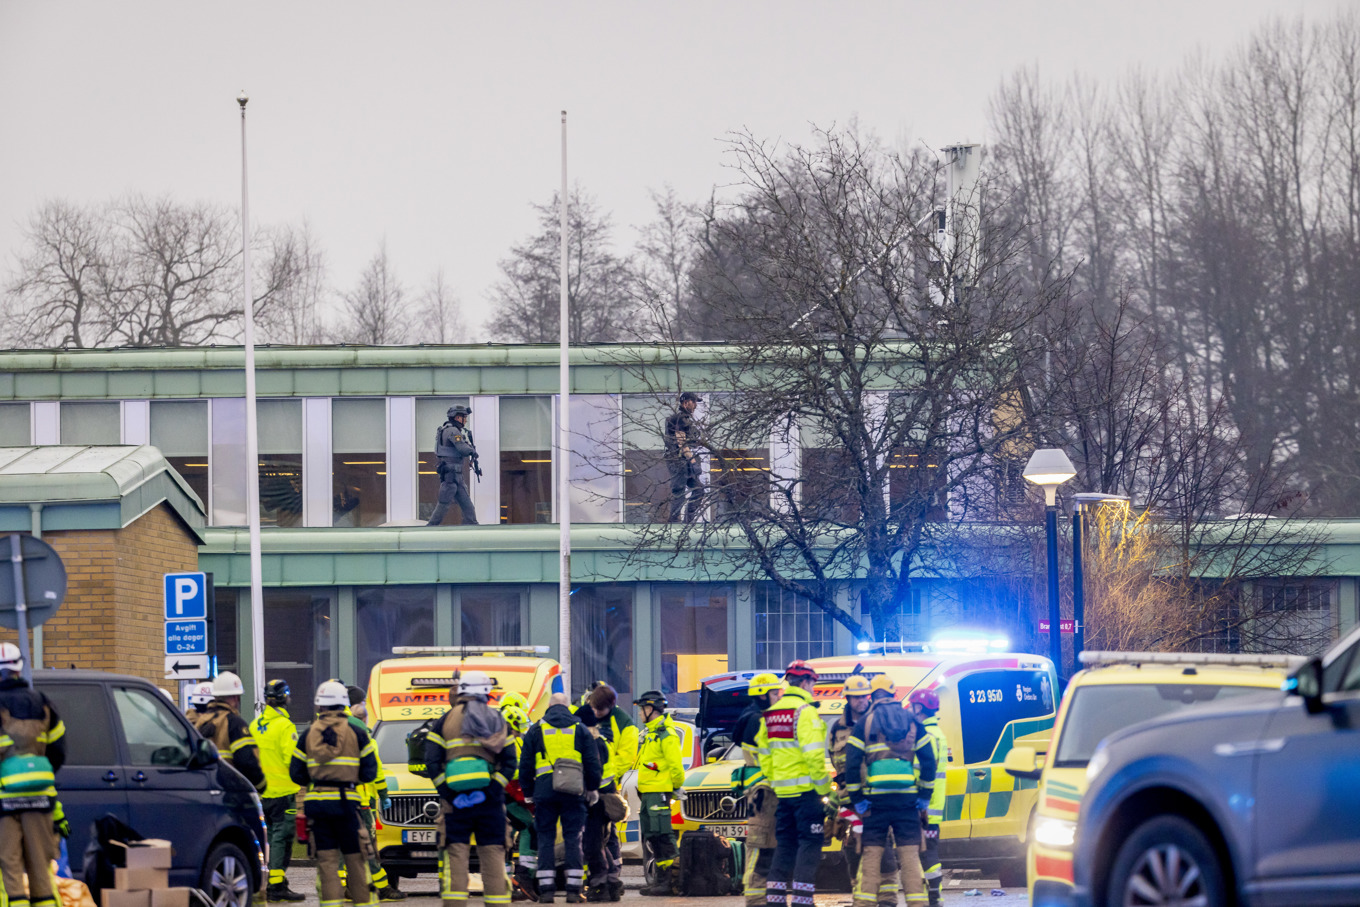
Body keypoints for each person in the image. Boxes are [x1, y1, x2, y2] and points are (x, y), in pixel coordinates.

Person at [843, 678, 937, 907]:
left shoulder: (864, 722)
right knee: (910, 857)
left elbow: (852, 764)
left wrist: (859, 800)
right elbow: (929, 761)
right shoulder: (912, 721)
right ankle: (918, 903)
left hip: (875, 801)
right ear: (894, 694)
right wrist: (923, 796)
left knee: (872, 857)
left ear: (872, 695)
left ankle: (864, 903)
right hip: (907, 800)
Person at [427, 671, 515, 907]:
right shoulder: (498, 719)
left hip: (455, 803)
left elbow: (431, 762)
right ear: (487, 692)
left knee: (456, 857)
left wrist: (448, 793)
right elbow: (510, 762)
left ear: (462, 691)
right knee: (494, 856)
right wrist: (492, 790)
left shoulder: (444, 720)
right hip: (490, 803)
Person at [291, 680, 379, 907]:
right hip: (346, 803)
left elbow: (296, 774)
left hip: (316, 806)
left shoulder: (307, 734)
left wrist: (318, 779)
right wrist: (349, 777)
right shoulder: (357, 732)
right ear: (344, 705)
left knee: (328, 863)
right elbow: (370, 772)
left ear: (320, 706)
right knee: (356, 859)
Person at [757, 660, 830, 907]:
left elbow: (764, 755)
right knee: (809, 844)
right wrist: (823, 790)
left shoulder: (771, 714)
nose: (813, 689)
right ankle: (802, 901)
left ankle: (775, 900)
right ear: (806, 682)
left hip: (783, 794)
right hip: (807, 793)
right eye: (813, 684)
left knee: (785, 844)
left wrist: (777, 782)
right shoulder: (805, 711)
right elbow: (814, 757)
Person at [519, 692, 601, 904]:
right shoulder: (579, 728)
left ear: (549, 706)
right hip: (573, 791)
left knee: (545, 838)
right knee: (573, 838)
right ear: (567, 707)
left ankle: (546, 891)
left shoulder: (536, 729)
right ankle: (574, 890)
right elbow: (592, 762)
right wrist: (592, 789)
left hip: (544, 792)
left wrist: (528, 792)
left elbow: (526, 764)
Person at [0, 642, 66, 907]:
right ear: (19, 667)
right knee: (41, 870)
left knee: (10, 870)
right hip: (40, 799)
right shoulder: (43, 703)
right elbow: (59, 750)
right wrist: (34, 774)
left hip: (3, 802)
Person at [828, 675, 897, 907]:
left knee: (883, 847)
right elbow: (834, 760)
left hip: (876, 798)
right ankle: (862, 897)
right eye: (856, 697)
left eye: (864, 696)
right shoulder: (837, 728)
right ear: (847, 698)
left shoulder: (878, 722)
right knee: (852, 848)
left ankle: (887, 899)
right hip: (848, 800)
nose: (861, 701)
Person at [576, 683, 633, 903]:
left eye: (600, 709)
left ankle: (602, 882)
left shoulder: (620, 725)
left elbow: (622, 759)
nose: (597, 713)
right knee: (598, 841)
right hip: (601, 791)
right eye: (594, 708)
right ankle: (610, 881)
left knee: (595, 841)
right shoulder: (595, 732)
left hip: (601, 794)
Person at [346, 687, 403, 902]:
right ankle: (382, 887)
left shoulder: (326, 730)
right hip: (362, 800)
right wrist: (383, 793)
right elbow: (375, 770)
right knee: (367, 847)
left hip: (334, 800)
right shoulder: (365, 737)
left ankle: (349, 886)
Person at [251, 679, 306, 902]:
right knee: (281, 841)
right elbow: (291, 759)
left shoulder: (255, 725)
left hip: (261, 793)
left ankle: (272, 883)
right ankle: (277, 886)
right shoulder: (285, 726)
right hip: (283, 793)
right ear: (284, 698)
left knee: (268, 839)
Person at [734, 673, 782, 907]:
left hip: (759, 789)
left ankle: (759, 894)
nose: (779, 696)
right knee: (759, 844)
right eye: (775, 693)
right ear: (762, 695)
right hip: (763, 790)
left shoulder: (749, 716)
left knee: (764, 844)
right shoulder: (757, 719)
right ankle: (755, 896)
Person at [632, 690, 685, 897]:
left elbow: (676, 768)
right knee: (652, 838)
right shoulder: (651, 733)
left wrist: (673, 787)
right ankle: (660, 880)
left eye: (641, 709)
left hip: (658, 793)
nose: (639, 713)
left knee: (663, 837)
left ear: (651, 709)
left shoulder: (666, 734)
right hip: (648, 793)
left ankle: (671, 881)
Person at [192, 671, 266, 791]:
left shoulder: (200, 721)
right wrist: (260, 786)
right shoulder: (235, 723)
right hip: (230, 792)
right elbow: (247, 761)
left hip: (204, 790)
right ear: (235, 697)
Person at [908, 689, 947, 907]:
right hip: (934, 808)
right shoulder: (938, 733)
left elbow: (922, 770)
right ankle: (936, 896)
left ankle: (934, 898)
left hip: (922, 808)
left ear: (919, 708)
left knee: (925, 854)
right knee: (929, 852)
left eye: (912, 706)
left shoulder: (926, 736)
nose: (911, 710)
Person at [497, 693, 536, 901]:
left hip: (501, 795)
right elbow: (514, 770)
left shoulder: (495, 736)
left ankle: (506, 883)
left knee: (505, 839)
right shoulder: (507, 740)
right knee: (528, 828)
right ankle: (522, 876)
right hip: (506, 795)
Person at [428, 405, 481, 526]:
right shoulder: (452, 430)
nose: (465, 420)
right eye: (464, 417)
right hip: (450, 476)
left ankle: (473, 525)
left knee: (467, 504)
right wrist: (472, 451)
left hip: (456, 476)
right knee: (444, 504)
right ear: (457, 417)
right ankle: (430, 527)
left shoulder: (450, 430)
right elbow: (462, 448)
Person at [663, 391, 704, 523]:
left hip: (683, 461)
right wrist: (693, 462)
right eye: (694, 402)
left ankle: (688, 521)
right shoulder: (679, 419)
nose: (695, 405)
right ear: (686, 402)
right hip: (678, 461)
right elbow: (682, 443)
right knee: (679, 492)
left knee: (699, 490)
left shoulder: (685, 419)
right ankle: (673, 523)